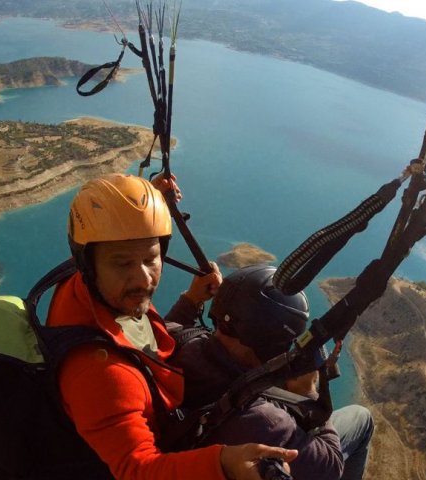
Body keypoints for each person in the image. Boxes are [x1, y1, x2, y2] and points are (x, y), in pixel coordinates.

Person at [46, 173, 297, 480]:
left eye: (151, 258)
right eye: (123, 263)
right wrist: (223, 464)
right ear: (88, 263)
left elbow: (140, 333)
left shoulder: (89, 289)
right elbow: (138, 470)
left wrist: (191, 300)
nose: (143, 278)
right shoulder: (100, 374)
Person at [173, 265, 374, 480]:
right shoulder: (262, 419)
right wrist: (308, 393)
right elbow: (330, 468)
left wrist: (191, 300)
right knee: (362, 418)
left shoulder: (175, 340)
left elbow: (171, 325)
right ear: (271, 345)